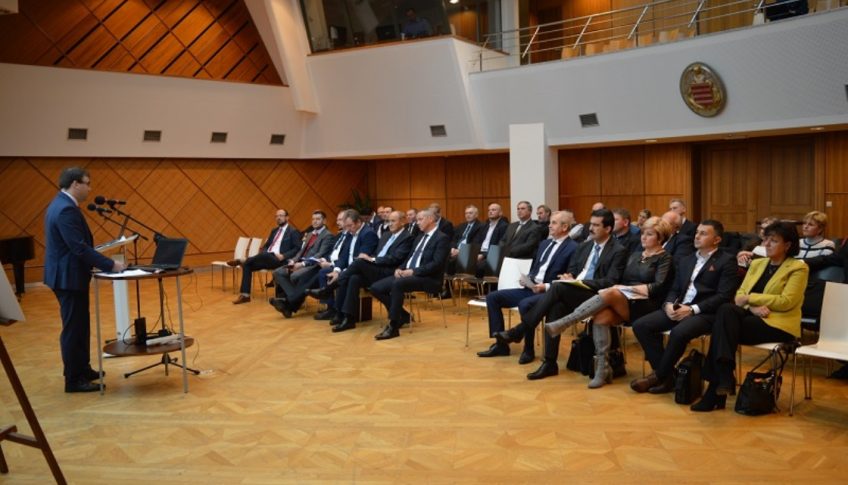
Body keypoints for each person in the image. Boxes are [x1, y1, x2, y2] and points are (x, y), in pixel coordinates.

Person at [496, 209, 628, 380]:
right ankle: (550, 363)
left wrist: (580, 283)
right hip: (574, 291)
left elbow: (610, 281)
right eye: (591, 224)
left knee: (558, 288)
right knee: (555, 307)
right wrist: (569, 277)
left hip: (598, 296)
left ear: (608, 229)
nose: (590, 228)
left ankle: (520, 330)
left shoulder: (618, 250)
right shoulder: (584, 246)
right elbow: (572, 270)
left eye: (596, 225)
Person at [691, 221, 808, 412]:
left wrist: (750, 299)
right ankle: (722, 378)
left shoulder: (798, 268)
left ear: (787, 245)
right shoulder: (757, 263)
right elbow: (738, 296)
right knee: (726, 311)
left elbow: (787, 301)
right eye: (766, 239)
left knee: (722, 329)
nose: (766, 244)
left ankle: (718, 386)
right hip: (752, 318)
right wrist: (752, 307)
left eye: (773, 241)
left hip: (779, 325)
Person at [544, 216, 674, 388]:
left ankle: (565, 322)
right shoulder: (635, 255)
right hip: (626, 301)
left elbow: (658, 287)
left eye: (649, 234)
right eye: (643, 233)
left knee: (611, 292)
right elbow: (621, 279)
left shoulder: (665, 258)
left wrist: (626, 289)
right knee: (601, 316)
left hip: (647, 305)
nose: (643, 237)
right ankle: (603, 369)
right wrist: (623, 288)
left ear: (660, 237)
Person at [630, 220, 739, 393]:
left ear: (717, 239)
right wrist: (668, 304)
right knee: (641, 325)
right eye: (697, 232)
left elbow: (723, 296)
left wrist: (692, 309)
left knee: (678, 332)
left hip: (705, 312)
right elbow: (675, 288)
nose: (697, 236)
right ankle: (668, 377)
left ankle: (659, 376)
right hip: (679, 307)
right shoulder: (687, 260)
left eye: (703, 233)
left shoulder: (726, 261)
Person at [44, 167, 127, 393]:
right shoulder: (65, 210)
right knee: (73, 328)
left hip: (69, 276)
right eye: (87, 183)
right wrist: (111, 265)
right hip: (67, 278)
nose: (90, 188)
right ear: (75, 184)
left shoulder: (60, 204)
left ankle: (82, 368)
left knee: (80, 325)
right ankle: (73, 379)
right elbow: (78, 248)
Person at [476, 211, 578, 364]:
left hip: (549, 293)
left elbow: (569, 278)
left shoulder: (573, 247)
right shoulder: (544, 244)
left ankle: (528, 349)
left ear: (564, 227)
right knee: (493, 297)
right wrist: (528, 278)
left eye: (554, 223)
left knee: (525, 305)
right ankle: (501, 345)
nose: (549, 226)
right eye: (550, 222)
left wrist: (545, 286)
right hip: (530, 289)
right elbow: (536, 268)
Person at [370, 210, 451, 340]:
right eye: (417, 220)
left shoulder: (442, 238)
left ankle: (393, 326)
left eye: (420, 219)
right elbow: (409, 258)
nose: (417, 222)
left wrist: (414, 271)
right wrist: (400, 268)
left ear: (430, 219)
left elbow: (437, 264)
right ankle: (402, 315)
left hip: (429, 278)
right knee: (375, 288)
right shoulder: (419, 237)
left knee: (398, 283)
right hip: (409, 274)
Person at [328, 210, 414, 332]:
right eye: (388, 221)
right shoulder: (386, 235)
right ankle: (349, 318)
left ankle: (333, 284)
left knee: (359, 262)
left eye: (393, 221)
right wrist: (370, 257)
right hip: (377, 269)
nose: (390, 224)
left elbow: (396, 258)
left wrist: (372, 259)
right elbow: (377, 253)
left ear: (402, 222)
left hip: (390, 271)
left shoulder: (407, 237)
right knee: (354, 278)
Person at [311, 209, 378, 321]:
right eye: (346, 226)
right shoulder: (351, 233)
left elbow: (361, 260)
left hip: (363, 270)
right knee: (338, 276)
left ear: (358, 222)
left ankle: (340, 312)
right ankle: (338, 312)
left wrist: (341, 272)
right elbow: (343, 256)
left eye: (350, 225)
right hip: (350, 269)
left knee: (347, 278)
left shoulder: (368, 234)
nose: (348, 229)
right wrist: (337, 270)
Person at [268, 210, 336, 318]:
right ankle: (292, 301)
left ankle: (289, 303)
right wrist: (293, 261)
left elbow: (320, 254)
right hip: (300, 262)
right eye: (313, 219)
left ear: (324, 221)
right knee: (278, 272)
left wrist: (302, 264)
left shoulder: (328, 235)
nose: (315, 221)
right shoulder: (309, 234)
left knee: (295, 275)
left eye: (318, 219)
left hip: (312, 265)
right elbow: (301, 251)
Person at [231, 209, 301, 304]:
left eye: (281, 215)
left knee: (264, 255)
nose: (278, 218)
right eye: (276, 216)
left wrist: (284, 256)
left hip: (280, 260)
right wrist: (265, 252)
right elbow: (266, 246)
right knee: (248, 265)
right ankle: (245, 295)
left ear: (287, 217)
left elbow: (297, 248)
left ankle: (244, 260)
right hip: (267, 258)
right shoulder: (274, 231)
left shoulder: (293, 231)